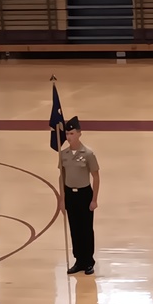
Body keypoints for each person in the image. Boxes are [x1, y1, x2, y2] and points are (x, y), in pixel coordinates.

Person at [58, 116, 100, 274]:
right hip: (70, 194)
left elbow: (95, 176)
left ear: (79, 133)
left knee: (86, 228)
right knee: (74, 228)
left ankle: (89, 260)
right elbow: (61, 176)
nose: (69, 137)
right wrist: (62, 199)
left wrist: (94, 199)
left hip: (84, 194)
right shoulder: (63, 154)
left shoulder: (88, 153)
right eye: (67, 134)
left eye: (72, 133)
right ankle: (79, 260)